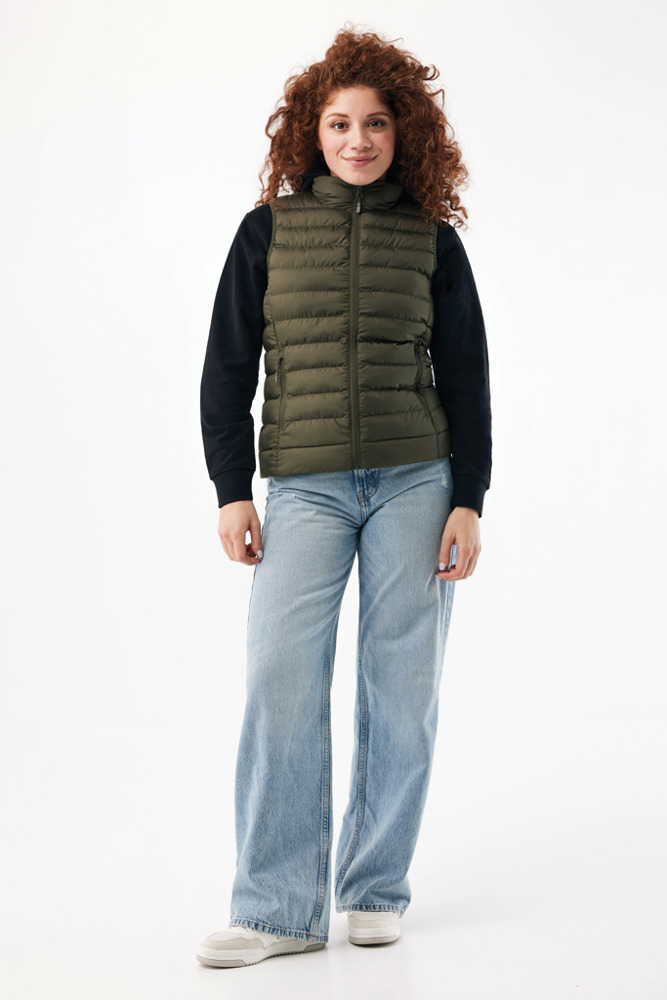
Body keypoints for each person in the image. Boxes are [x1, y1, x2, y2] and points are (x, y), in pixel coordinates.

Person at [196, 26, 492, 969]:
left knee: (401, 690)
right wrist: (231, 490)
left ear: (404, 133)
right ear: (310, 133)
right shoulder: (267, 232)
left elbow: (467, 375)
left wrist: (468, 498)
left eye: (374, 123)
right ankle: (277, 909)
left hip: (416, 481)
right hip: (305, 489)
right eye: (337, 123)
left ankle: (373, 888)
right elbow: (226, 369)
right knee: (280, 682)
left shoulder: (432, 240)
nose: (356, 140)